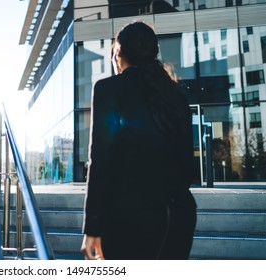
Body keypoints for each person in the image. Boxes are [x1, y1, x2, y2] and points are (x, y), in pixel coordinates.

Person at [81, 22, 197, 260]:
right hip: (179, 215)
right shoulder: (176, 94)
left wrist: (92, 227)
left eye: (113, 54)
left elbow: (101, 160)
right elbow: (187, 166)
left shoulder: (108, 89)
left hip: (131, 220)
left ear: (119, 54)